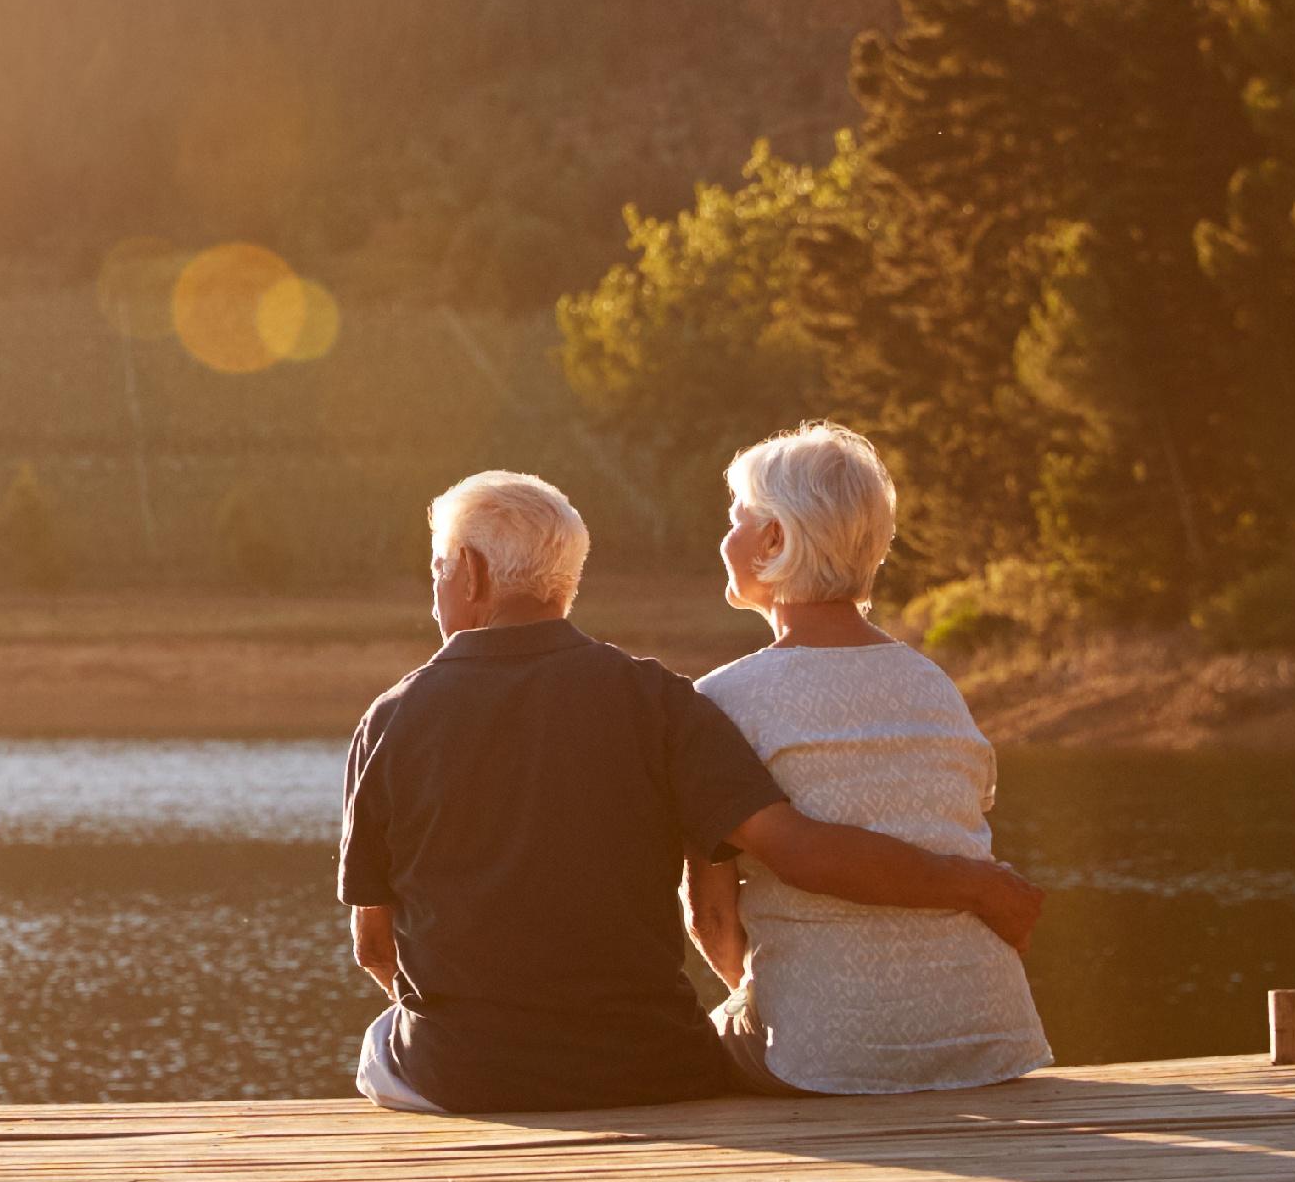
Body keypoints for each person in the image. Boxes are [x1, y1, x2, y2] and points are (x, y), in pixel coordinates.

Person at [341, 468, 1043, 1115]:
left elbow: (374, 948)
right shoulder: (664, 702)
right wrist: (975, 884)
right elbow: (775, 857)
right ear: (567, 581)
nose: (436, 590)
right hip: (650, 1067)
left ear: (468, 574)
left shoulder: (389, 720)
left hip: (463, 1073)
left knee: (380, 1044)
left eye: (437, 570)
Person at [689, 423, 1053, 1094]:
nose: (726, 538)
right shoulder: (933, 685)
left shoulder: (720, 701)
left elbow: (712, 920)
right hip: (990, 1040)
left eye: (736, 519)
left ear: (774, 539)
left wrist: (769, 1003)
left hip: (825, 1058)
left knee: (690, 1049)